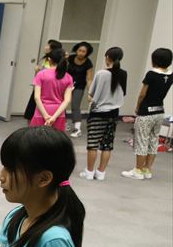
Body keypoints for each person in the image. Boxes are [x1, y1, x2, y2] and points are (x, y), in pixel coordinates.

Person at [122, 47, 173, 180]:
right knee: (153, 140)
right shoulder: (170, 75)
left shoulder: (151, 74)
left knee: (141, 140)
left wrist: (137, 106)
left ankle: (138, 171)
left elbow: (142, 94)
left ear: (155, 60)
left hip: (146, 111)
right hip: (160, 111)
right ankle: (147, 169)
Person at [79, 47, 126, 181]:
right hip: (114, 113)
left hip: (98, 113)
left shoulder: (101, 73)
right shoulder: (124, 74)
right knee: (107, 145)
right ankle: (101, 173)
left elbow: (92, 94)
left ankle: (89, 172)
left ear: (107, 57)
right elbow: (123, 93)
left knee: (93, 144)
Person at [31, 48, 73, 133]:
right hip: (59, 113)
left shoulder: (41, 74)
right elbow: (67, 100)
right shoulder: (68, 77)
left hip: (41, 111)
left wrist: (46, 116)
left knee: (36, 138)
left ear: (49, 60)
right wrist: (54, 117)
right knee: (56, 139)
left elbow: (37, 97)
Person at [25, 40, 63, 121]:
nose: (45, 47)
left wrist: (40, 72)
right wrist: (39, 71)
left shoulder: (56, 62)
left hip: (47, 90)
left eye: (48, 45)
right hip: (39, 87)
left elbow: (52, 75)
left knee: (41, 113)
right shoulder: (45, 59)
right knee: (32, 112)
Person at [65, 42, 94, 138]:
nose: (81, 53)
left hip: (79, 86)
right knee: (62, 103)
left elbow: (89, 79)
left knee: (75, 105)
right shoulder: (69, 58)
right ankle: (63, 123)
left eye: (83, 51)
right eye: (79, 50)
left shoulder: (88, 63)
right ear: (76, 50)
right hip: (66, 84)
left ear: (87, 53)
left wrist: (90, 93)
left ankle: (77, 129)